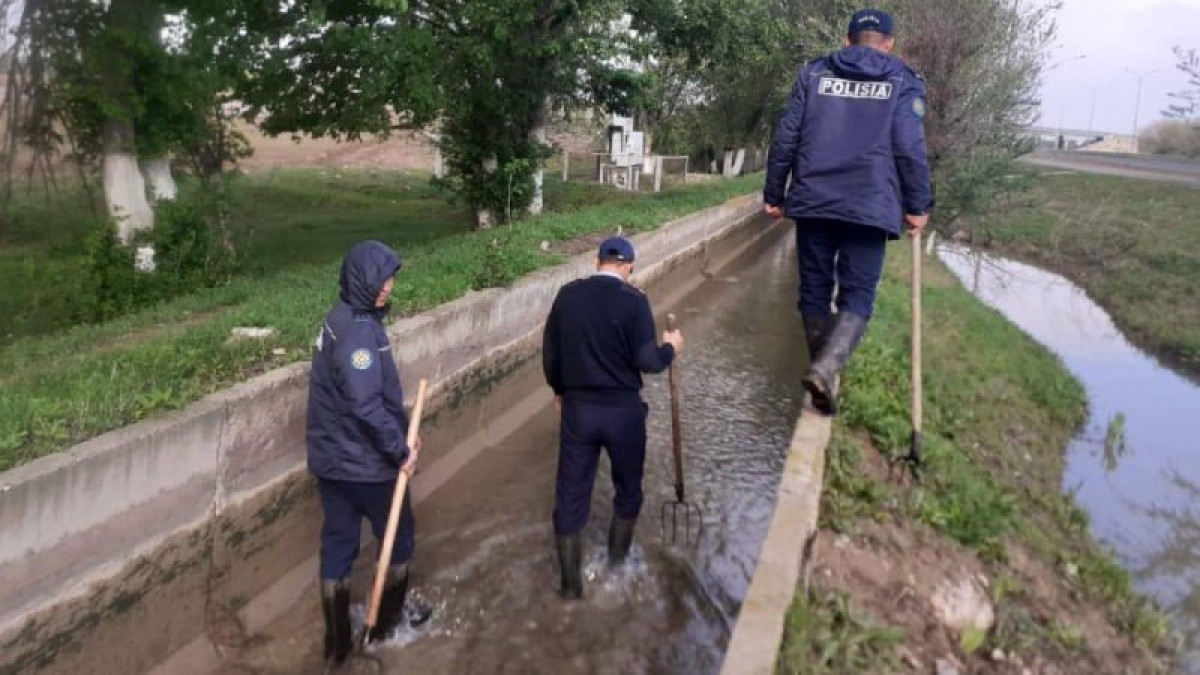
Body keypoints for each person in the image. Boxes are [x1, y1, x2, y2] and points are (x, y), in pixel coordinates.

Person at [763, 8, 933, 415]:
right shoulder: (902, 81)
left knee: (814, 292)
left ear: (847, 40)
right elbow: (910, 148)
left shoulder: (814, 74)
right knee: (857, 296)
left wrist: (775, 192)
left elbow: (787, 136)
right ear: (889, 44)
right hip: (870, 205)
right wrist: (918, 206)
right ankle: (824, 370)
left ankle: (820, 370)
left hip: (815, 200)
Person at [306, 240, 431, 667]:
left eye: (391, 278)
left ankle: (337, 645)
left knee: (338, 543)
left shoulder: (340, 318)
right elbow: (364, 404)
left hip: (332, 461)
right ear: (362, 280)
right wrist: (400, 450)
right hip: (367, 466)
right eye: (381, 280)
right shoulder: (358, 331)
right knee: (398, 536)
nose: (388, 287)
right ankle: (386, 625)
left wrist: (401, 433)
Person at [541, 236, 685, 599]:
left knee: (570, 497)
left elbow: (551, 354)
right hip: (623, 414)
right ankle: (616, 567)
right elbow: (648, 362)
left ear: (597, 261)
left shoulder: (567, 296)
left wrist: (559, 390)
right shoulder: (634, 302)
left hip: (579, 411)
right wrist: (671, 348)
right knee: (628, 490)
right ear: (630, 266)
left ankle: (570, 589)